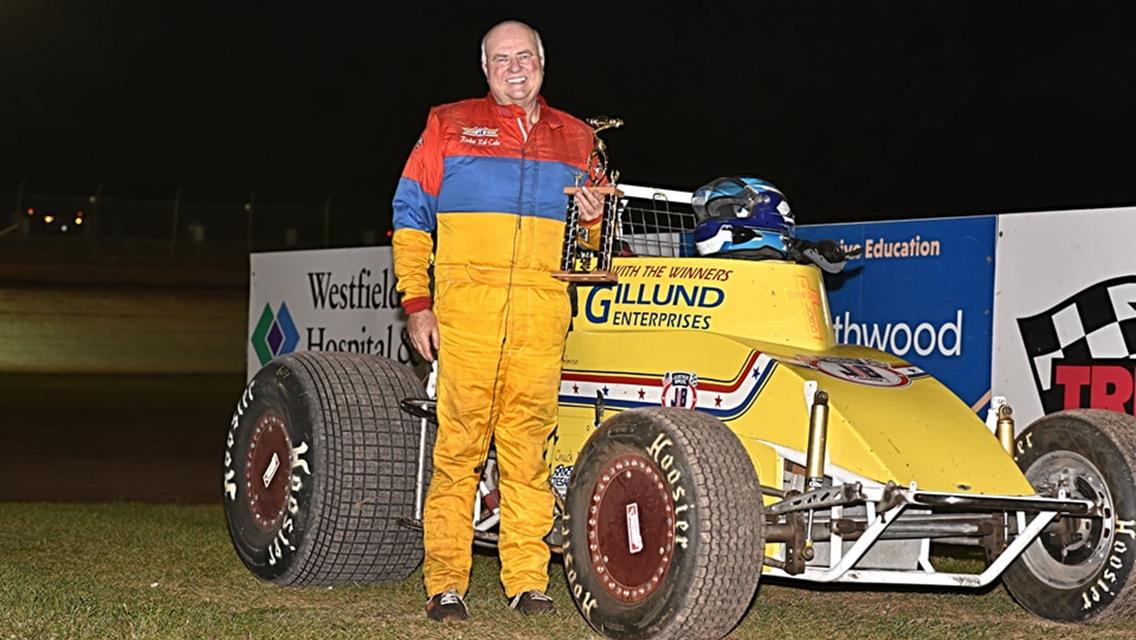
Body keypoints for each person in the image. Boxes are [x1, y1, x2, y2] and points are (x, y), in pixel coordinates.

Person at [391, 19, 604, 622]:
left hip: (540, 322)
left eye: (525, 56)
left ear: (543, 62)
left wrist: (591, 217)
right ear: (485, 69)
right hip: (467, 318)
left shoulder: (580, 139)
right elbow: (409, 213)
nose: (515, 67)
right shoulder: (449, 124)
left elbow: (591, 245)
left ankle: (527, 582)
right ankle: (446, 584)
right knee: (458, 453)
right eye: (501, 58)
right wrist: (417, 302)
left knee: (528, 455)